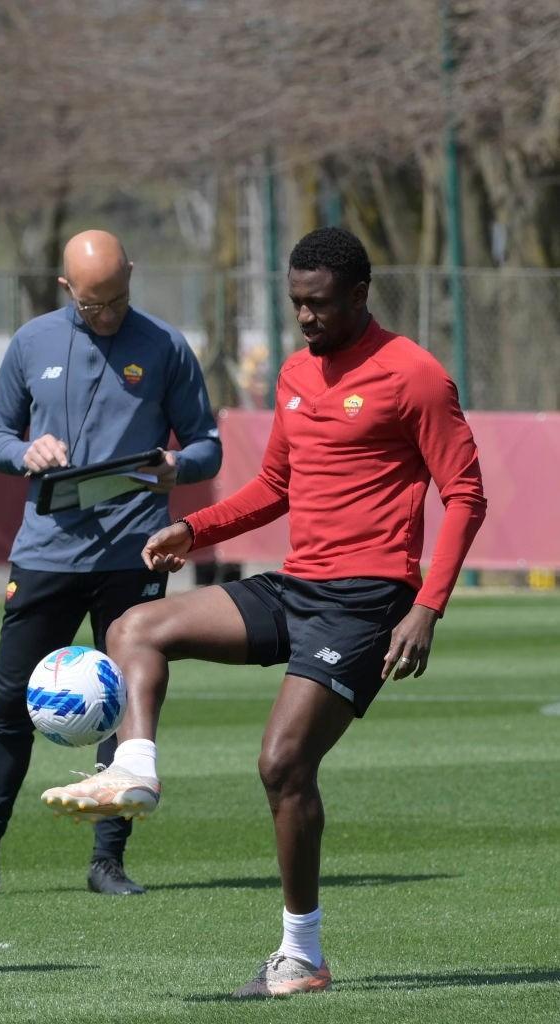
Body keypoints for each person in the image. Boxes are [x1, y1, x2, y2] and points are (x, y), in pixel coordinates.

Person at [39, 226, 487, 996]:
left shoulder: (412, 375)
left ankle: (301, 955)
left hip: (365, 603)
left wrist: (425, 609)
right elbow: (276, 488)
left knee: (282, 763)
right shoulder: (291, 373)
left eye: (318, 305)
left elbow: (467, 495)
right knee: (135, 626)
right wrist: (192, 527)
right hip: (296, 587)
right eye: (295, 304)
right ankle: (135, 768)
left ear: (357, 295)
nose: (306, 318)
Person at [0, 229, 222, 899]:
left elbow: (207, 445)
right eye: (91, 305)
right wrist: (25, 453)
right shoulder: (32, 342)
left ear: (130, 273)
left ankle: (108, 863)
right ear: (66, 289)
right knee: (7, 708)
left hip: (132, 552)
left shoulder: (164, 347)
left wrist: (173, 467)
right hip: (45, 553)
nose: (106, 315)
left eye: (117, 299)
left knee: (121, 704)